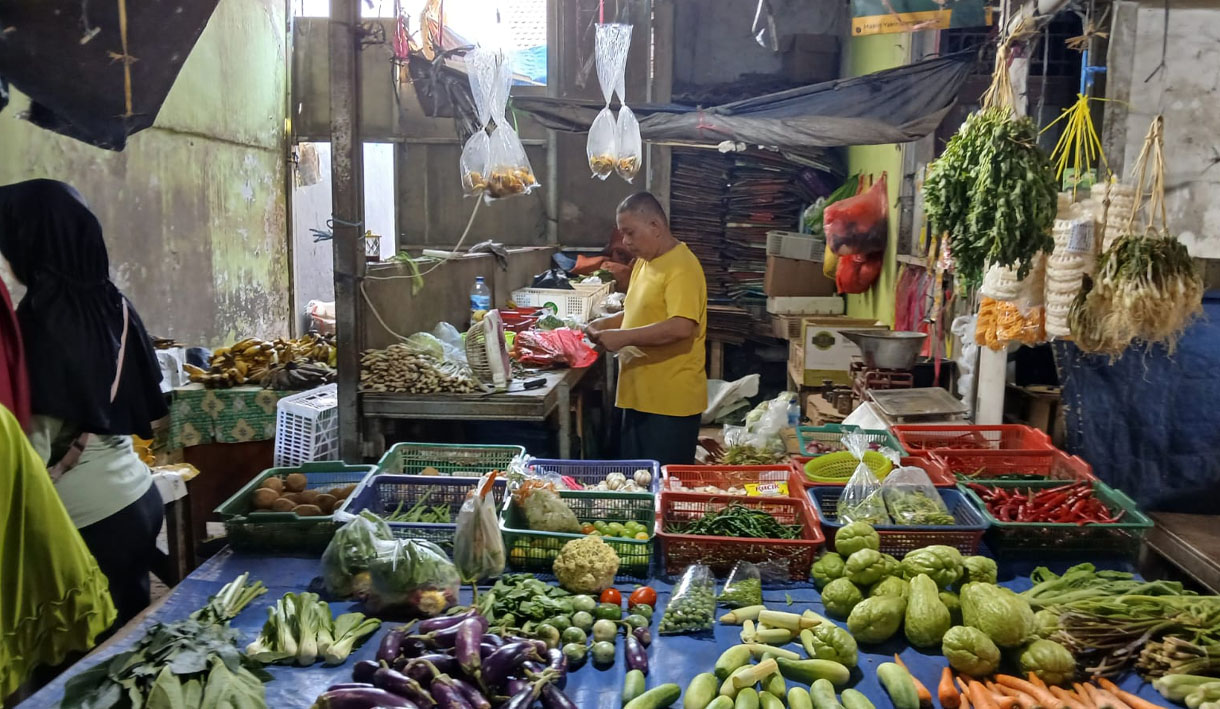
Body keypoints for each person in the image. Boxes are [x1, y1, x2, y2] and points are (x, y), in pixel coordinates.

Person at [0, 179, 168, 626]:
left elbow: (32, 454)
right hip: (137, 499)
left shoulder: (40, 322)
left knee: (75, 675)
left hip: (86, 523)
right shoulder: (115, 303)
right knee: (119, 651)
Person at [587, 192, 707, 464]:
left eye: (630, 233)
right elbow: (637, 313)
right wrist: (601, 324)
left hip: (669, 404)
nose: (626, 242)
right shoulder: (644, 262)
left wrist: (623, 338)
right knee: (637, 483)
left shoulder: (682, 267)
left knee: (661, 489)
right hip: (639, 395)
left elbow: (681, 326)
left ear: (655, 226)